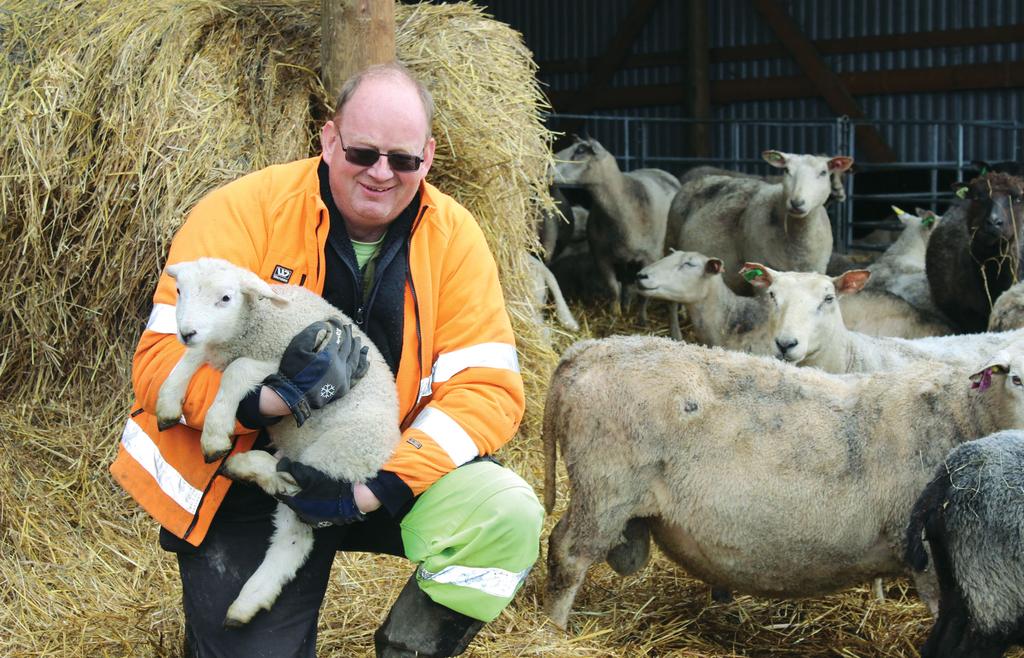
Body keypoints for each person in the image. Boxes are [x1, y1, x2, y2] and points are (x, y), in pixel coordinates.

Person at [110, 62, 544, 658]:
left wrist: (378, 486)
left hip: (378, 463)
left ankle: (410, 648)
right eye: (363, 152)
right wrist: (269, 401)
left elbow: (488, 387)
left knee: (506, 515)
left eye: (403, 159)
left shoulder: (454, 237)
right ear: (329, 138)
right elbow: (160, 362)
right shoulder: (243, 211)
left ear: (429, 156)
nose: (381, 173)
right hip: (244, 473)